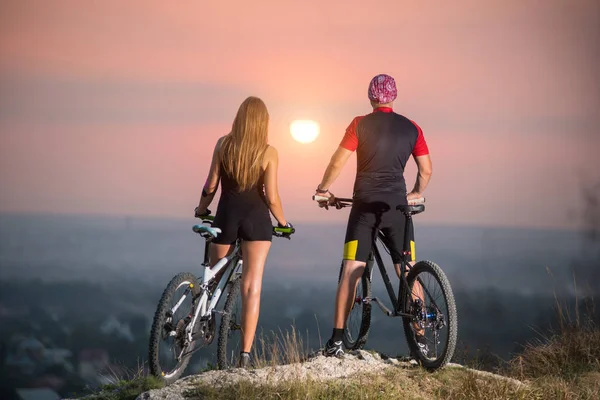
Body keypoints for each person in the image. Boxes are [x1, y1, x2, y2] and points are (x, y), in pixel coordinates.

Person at [314, 74, 432, 358]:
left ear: (370, 97)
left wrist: (323, 189)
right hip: (398, 209)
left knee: (352, 269)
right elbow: (426, 170)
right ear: (393, 97)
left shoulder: (359, 124)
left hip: (365, 207)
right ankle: (424, 343)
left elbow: (337, 160)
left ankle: (337, 341)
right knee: (407, 269)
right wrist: (415, 192)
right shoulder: (412, 127)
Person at [195, 96, 292, 368]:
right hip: (256, 221)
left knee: (211, 280)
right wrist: (283, 222)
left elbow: (210, 185)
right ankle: (245, 356)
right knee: (252, 287)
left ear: (239, 118)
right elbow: (272, 197)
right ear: (263, 123)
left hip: (225, 216)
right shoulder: (269, 151)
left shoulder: (223, 144)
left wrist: (201, 208)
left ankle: (203, 318)